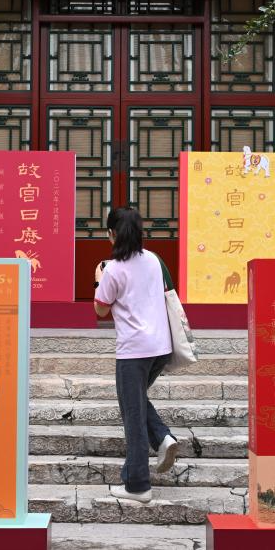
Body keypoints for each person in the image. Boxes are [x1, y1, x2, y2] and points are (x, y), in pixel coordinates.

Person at [93, 206, 179, 504]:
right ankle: (163, 437)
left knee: (132, 414)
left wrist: (98, 279)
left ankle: (138, 484)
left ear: (111, 234)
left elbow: (100, 309)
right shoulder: (153, 259)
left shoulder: (113, 270)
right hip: (161, 347)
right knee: (136, 402)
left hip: (134, 351)